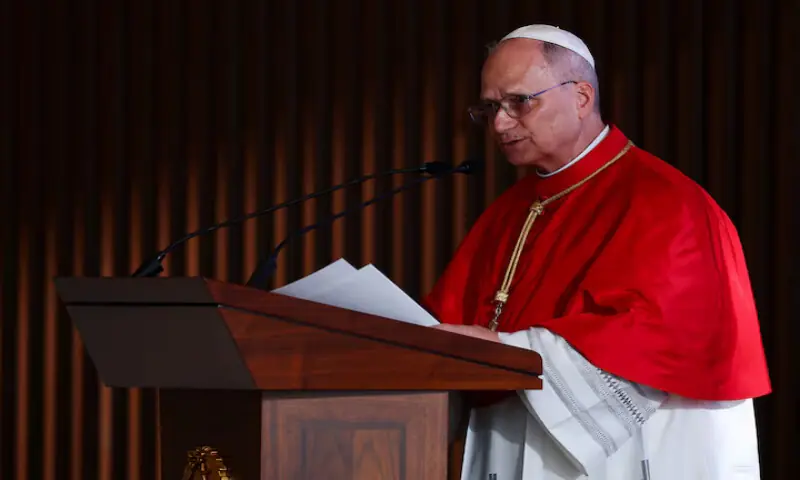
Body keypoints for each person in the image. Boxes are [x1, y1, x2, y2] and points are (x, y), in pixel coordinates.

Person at [424, 24, 771, 480]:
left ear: (582, 97)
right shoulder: (506, 213)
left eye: (519, 102)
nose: (501, 123)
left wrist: (508, 351)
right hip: (512, 438)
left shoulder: (668, 203)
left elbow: (655, 338)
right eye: (490, 108)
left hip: (629, 452)